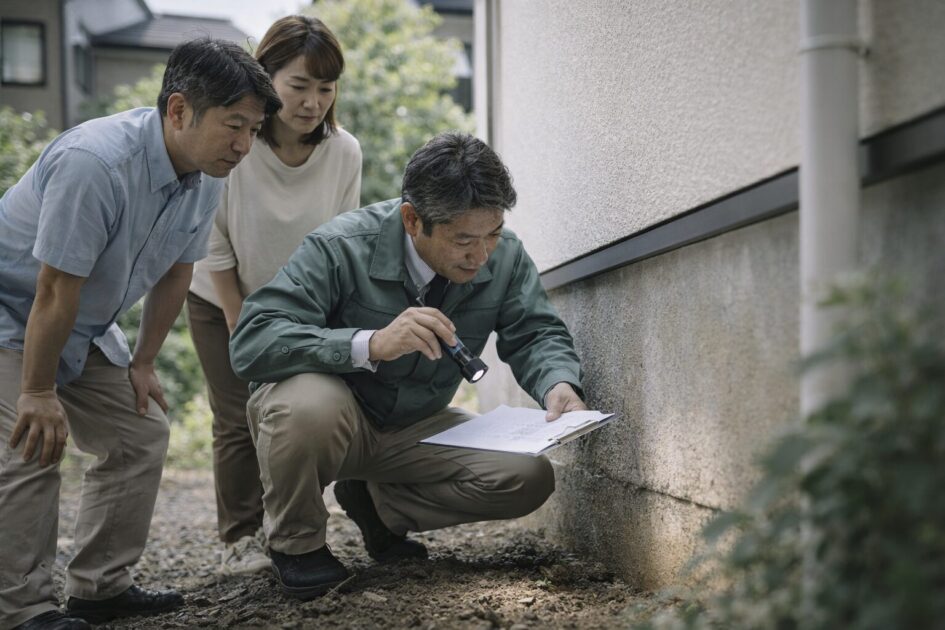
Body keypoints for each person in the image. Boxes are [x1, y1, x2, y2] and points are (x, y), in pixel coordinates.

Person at [229, 131, 587, 600]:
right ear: (412, 219)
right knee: (304, 406)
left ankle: (378, 507)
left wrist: (558, 381)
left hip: (416, 425)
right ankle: (298, 545)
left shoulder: (506, 256)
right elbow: (253, 340)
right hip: (336, 423)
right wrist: (370, 344)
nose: (480, 256)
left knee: (528, 478)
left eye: (492, 235)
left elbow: (536, 332)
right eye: (463, 240)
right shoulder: (340, 246)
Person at [0, 39, 280, 630]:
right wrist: (38, 392)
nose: (244, 145)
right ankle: (23, 610)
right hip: (12, 313)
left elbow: (178, 271)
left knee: (140, 431)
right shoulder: (94, 162)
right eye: (234, 125)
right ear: (178, 110)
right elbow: (52, 289)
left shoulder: (208, 174)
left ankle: (99, 589)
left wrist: (144, 361)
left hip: (79, 325)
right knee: (32, 443)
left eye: (253, 129)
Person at [186, 15, 362, 576]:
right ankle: (240, 537)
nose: (313, 102)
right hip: (220, 297)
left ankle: (291, 523)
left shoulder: (344, 152)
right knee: (237, 415)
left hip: (301, 308)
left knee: (297, 409)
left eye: (326, 88)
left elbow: (344, 240)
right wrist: (243, 323)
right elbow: (215, 245)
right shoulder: (236, 141)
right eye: (299, 85)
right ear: (266, 78)